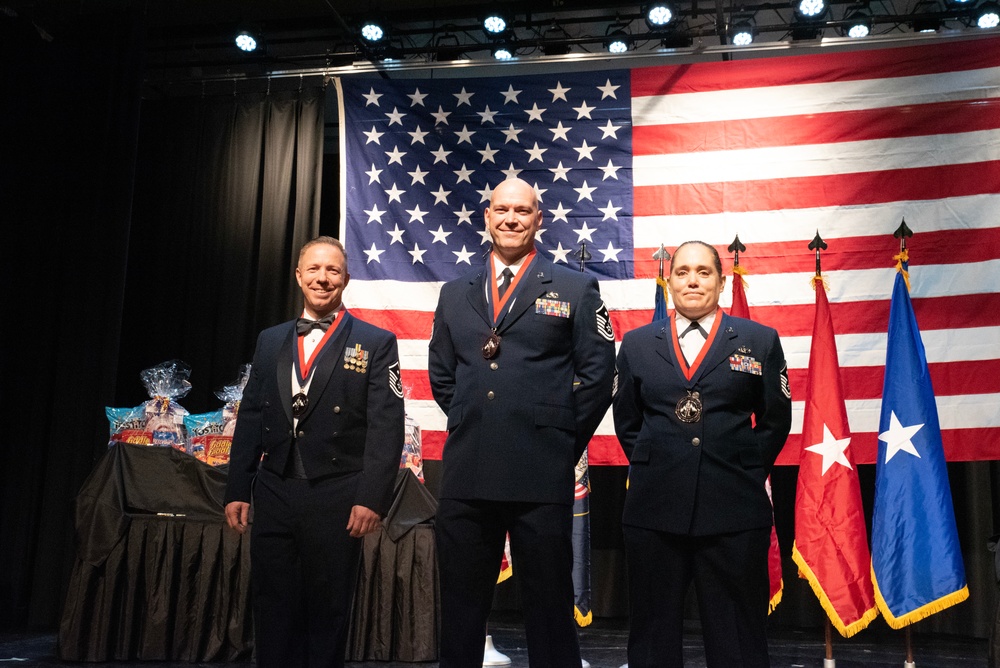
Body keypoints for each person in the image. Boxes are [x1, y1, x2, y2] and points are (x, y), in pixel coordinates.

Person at [428, 177, 616, 668]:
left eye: (523, 211)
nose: (511, 219)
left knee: (549, 606)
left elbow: (598, 376)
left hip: (541, 471)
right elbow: (443, 377)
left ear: (539, 220)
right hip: (468, 470)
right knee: (462, 607)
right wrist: (480, 425)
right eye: (502, 210)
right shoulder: (454, 293)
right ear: (486, 217)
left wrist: (557, 438)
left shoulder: (575, 287)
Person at [224, 236, 405, 668]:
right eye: (314, 270)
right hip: (275, 491)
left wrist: (371, 497)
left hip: (338, 494)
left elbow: (386, 426)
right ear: (299, 276)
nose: (323, 279)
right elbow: (251, 416)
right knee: (272, 605)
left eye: (333, 271)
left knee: (327, 609)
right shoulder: (270, 340)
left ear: (346, 278)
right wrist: (237, 488)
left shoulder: (376, 342)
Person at [612, 240, 792, 668]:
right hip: (655, 510)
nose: (692, 280)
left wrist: (740, 469)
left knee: (737, 637)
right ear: (669, 280)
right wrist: (663, 467)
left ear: (721, 280)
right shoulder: (637, 344)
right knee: (654, 634)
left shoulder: (759, 341)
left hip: (732, 510)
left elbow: (774, 421)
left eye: (704, 272)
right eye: (683, 272)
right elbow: (628, 422)